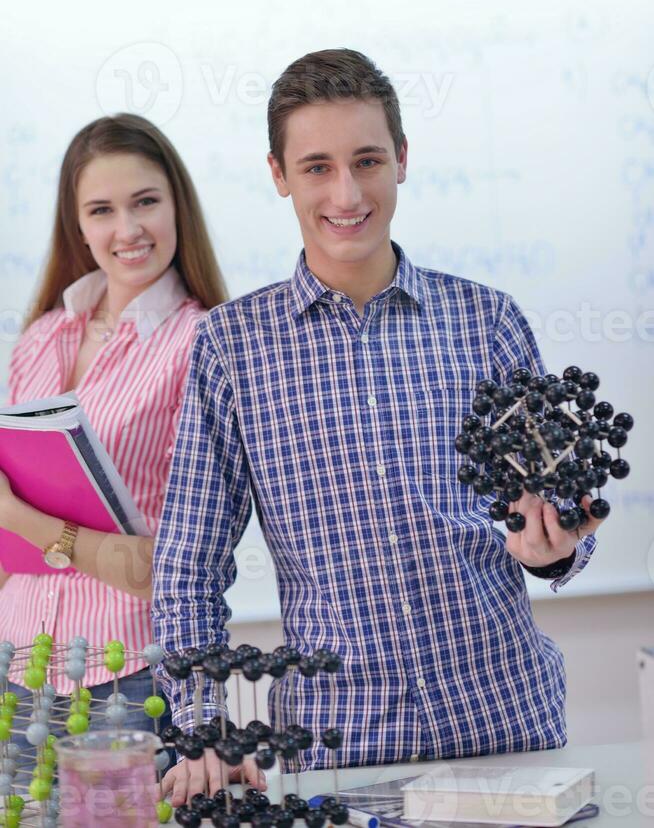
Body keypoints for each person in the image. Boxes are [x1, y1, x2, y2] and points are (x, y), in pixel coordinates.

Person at [152, 49, 603, 805]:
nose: (347, 192)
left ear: (401, 160)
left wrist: (551, 550)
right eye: (317, 167)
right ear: (279, 175)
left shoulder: (486, 321)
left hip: (507, 722)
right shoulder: (231, 348)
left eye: (367, 160)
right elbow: (188, 569)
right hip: (343, 746)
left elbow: (556, 525)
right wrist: (199, 724)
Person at [0, 113, 227, 744]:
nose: (126, 230)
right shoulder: (41, 336)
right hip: (16, 667)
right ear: (77, 224)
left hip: (129, 675)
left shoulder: (203, 342)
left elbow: (182, 567)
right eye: (101, 210)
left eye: (145, 202)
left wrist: (21, 520)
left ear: (177, 205)